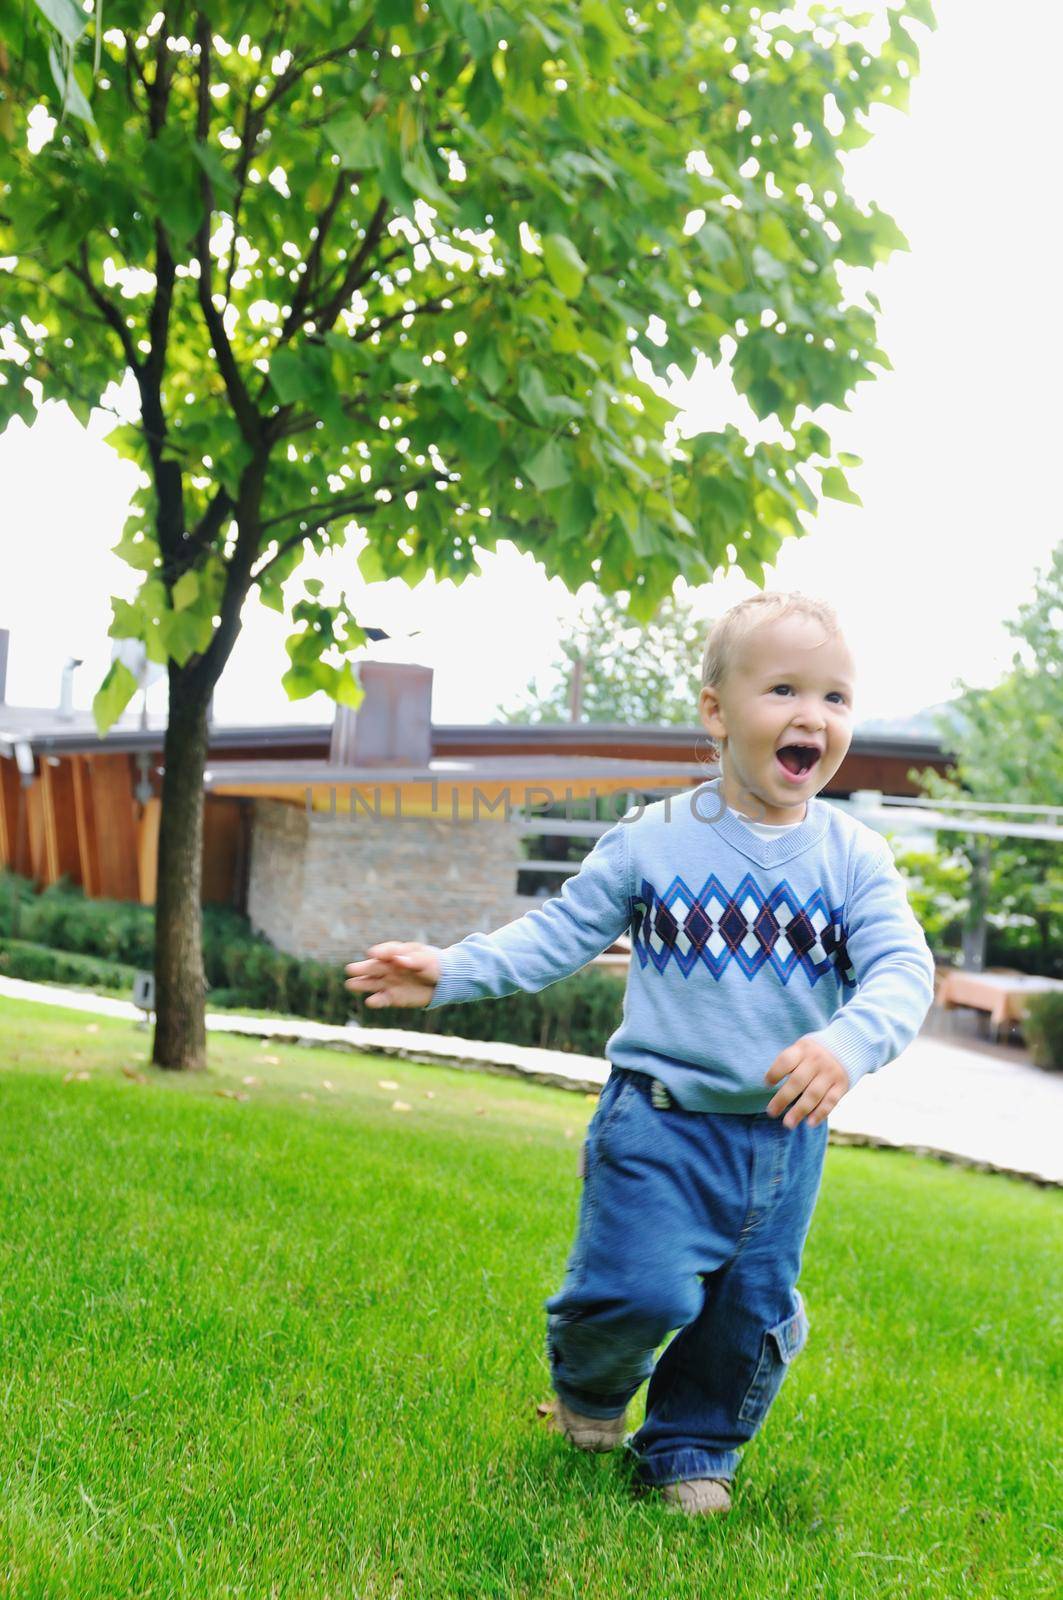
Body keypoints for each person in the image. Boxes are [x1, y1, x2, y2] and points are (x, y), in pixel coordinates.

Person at [344, 591, 936, 1517]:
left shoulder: (853, 856)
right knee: (638, 1291)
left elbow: (903, 968)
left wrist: (850, 1040)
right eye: (783, 689)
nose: (812, 718)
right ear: (715, 710)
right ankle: (590, 1378)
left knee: (744, 1316)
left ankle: (690, 1448)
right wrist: (450, 971)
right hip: (655, 1124)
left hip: (780, 1143)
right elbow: (557, 933)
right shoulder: (653, 841)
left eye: (836, 698)